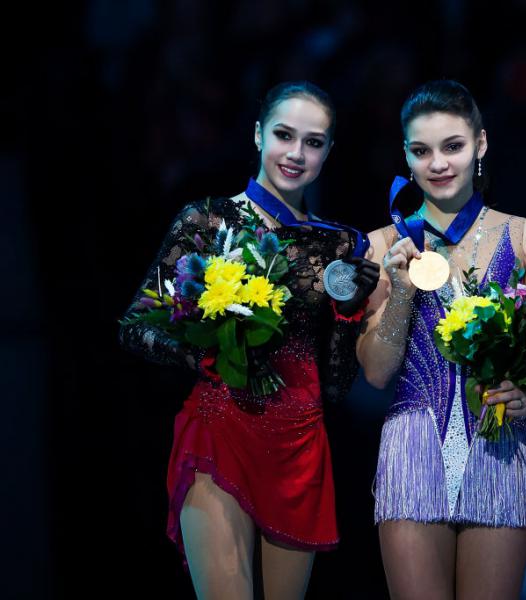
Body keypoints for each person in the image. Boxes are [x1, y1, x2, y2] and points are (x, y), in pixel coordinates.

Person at [119, 81, 378, 599]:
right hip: (222, 428)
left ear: (328, 151)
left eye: (313, 142)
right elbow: (135, 325)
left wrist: (349, 317)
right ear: (258, 134)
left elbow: (335, 384)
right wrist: (202, 355)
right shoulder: (206, 221)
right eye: (284, 135)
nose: (296, 153)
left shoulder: (342, 246)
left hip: (300, 443)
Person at [357, 80, 526, 600]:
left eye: (453, 146)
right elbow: (377, 372)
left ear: (481, 144)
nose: (439, 164)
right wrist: (401, 291)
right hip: (411, 452)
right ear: (406, 156)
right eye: (421, 151)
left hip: (497, 448)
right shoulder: (382, 245)